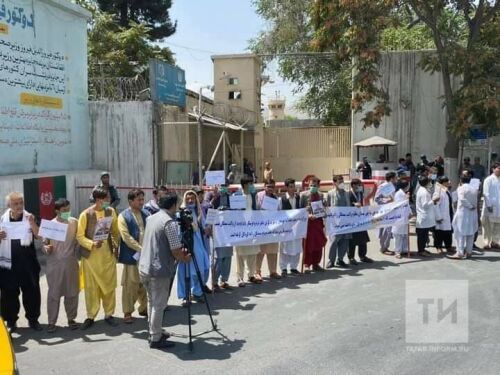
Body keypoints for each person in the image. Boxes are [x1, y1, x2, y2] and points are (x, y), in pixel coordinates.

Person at [139, 192, 191, 349]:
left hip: (145, 266)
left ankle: (154, 330)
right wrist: (185, 258)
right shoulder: (169, 222)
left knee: (152, 301)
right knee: (158, 304)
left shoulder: (151, 217)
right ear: (173, 205)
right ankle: (155, 338)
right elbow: (176, 249)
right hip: (158, 270)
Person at [77, 187, 120, 330]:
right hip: (90, 258)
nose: (107, 202)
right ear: (97, 199)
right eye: (105, 199)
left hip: (107, 256)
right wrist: (91, 244)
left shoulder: (111, 212)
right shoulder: (86, 214)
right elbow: (79, 236)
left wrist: (115, 246)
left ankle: (109, 314)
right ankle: (91, 316)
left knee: (109, 286)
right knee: (91, 288)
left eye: (108, 199)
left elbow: (115, 231)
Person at [0, 192, 41, 333]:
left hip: (28, 264)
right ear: (9, 205)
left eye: (21, 203)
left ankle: (33, 319)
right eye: (15, 203)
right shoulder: (2, 221)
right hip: (9, 265)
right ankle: (11, 321)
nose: (19, 206)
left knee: (32, 293)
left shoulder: (30, 217)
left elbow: (39, 235)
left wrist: (32, 223)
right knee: (9, 295)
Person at [43, 198, 80, 333]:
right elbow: (44, 243)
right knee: (54, 294)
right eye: (64, 210)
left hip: (71, 263)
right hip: (55, 264)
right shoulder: (49, 225)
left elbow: (79, 239)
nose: (67, 212)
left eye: (68, 209)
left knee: (72, 292)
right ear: (56, 211)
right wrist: (46, 248)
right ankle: (52, 322)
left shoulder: (74, 222)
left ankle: (71, 319)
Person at [117, 189, 149, 324]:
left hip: (146, 256)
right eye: (139, 200)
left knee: (146, 283)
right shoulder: (123, 216)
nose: (142, 202)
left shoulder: (146, 214)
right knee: (131, 285)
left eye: (142, 199)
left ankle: (144, 308)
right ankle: (127, 311)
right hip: (132, 256)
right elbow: (126, 237)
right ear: (130, 201)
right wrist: (141, 249)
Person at [177, 190, 210, 305]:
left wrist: (207, 229)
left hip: (199, 245)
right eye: (188, 199)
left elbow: (205, 226)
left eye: (192, 199)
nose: (190, 201)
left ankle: (197, 292)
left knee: (201, 269)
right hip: (186, 245)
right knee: (186, 272)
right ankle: (186, 295)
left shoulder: (199, 212)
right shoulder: (181, 213)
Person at [234, 177, 262, 286]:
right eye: (251, 184)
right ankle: (240, 277)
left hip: (252, 227)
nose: (253, 186)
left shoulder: (254, 195)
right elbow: (234, 213)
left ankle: (251, 275)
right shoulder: (237, 196)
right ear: (245, 185)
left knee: (253, 252)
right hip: (241, 228)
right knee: (240, 254)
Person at [448, 173, 479, 259]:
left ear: (461, 180)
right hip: (472, 213)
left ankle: (460, 252)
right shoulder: (474, 189)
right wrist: (472, 207)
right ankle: (469, 251)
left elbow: (461, 199)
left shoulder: (461, 188)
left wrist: (469, 206)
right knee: (470, 233)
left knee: (460, 233)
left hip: (463, 212)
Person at [300, 176, 327, 272]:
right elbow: (300, 210)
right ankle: (307, 264)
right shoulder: (303, 195)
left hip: (318, 223)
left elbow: (323, 208)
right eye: (311, 185)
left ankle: (316, 263)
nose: (313, 187)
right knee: (308, 245)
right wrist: (307, 215)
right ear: (308, 184)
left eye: (315, 185)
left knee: (318, 243)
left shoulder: (321, 195)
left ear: (318, 186)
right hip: (308, 224)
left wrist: (324, 208)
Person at [256, 179, 281, 279]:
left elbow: (279, 211)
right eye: (268, 186)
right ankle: (257, 271)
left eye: (272, 187)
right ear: (264, 186)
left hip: (272, 227)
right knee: (260, 251)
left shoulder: (276, 198)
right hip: (262, 227)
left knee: (273, 250)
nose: (270, 188)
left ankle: (273, 271)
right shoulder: (259, 196)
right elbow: (256, 210)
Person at [326, 175, 352, 268]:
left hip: (345, 221)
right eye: (339, 181)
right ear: (334, 183)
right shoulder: (330, 193)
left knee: (345, 241)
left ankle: (340, 259)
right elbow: (327, 207)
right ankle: (331, 260)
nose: (341, 183)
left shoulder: (347, 193)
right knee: (334, 241)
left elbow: (350, 206)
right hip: (335, 222)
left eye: (342, 181)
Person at [279, 178, 303, 276]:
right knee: (285, 247)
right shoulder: (282, 199)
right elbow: (279, 213)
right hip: (286, 227)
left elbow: (301, 210)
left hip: (297, 227)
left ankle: (294, 267)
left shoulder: (298, 198)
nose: (293, 189)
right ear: (286, 188)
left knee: (297, 246)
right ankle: (283, 268)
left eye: (294, 187)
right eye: (291, 187)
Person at [211, 185, 233, 289]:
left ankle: (224, 280)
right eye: (221, 186)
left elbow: (238, 211)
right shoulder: (212, 196)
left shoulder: (231, 197)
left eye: (225, 186)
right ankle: (214, 282)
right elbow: (208, 208)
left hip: (229, 230)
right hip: (218, 232)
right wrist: (214, 198)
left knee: (228, 256)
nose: (223, 188)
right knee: (218, 257)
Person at [347, 179, 373, 264]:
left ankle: (363, 256)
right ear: (353, 185)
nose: (360, 187)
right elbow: (345, 207)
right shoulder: (348, 194)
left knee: (363, 238)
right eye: (359, 185)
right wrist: (353, 205)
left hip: (361, 218)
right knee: (352, 239)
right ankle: (351, 257)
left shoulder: (360, 193)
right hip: (352, 220)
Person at [415, 176, 439, 257]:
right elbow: (425, 205)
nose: (430, 184)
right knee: (422, 236)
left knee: (424, 235)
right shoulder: (424, 192)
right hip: (424, 217)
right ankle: (421, 251)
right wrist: (433, 200)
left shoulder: (423, 190)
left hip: (424, 217)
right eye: (429, 182)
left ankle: (422, 249)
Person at [374, 172, 397, 255]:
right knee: (384, 231)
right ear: (391, 179)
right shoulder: (382, 187)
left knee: (388, 230)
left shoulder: (392, 187)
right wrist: (387, 201)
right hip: (384, 211)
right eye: (395, 178)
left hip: (391, 211)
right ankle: (383, 248)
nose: (396, 179)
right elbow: (376, 199)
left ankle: (385, 247)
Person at [433, 176, 454, 254]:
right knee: (439, 232)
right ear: (443, 183)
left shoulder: (446, 191)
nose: (449, 182)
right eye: (447, 181)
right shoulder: (438, 192)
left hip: (448, 214)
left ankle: (448, 246)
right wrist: (438, 217)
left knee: (448, 232)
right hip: (441, 216)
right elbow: (435, 205)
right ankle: (438, 247)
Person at [481, 162, 500, 249]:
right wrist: (489, 205)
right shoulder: (488, 179)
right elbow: (485, 193)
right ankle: (486, 242)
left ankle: (495, 242)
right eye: (498, 168)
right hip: (490, 206)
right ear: (493, 169)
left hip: (499, 206)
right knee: (487, 225)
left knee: (497, 225)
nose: (499, 170)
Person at [392, 180, 411, 259]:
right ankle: (397, 251)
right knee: (398, 235)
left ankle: (404, 249)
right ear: (405, 186)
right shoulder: (398, 194)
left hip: (404, 218)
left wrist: (410, 212)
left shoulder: (404, 194)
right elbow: (399, 205)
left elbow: (407, 206)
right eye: (408, 185)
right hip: (399, 218)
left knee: (404, 235)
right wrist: (406, 199)